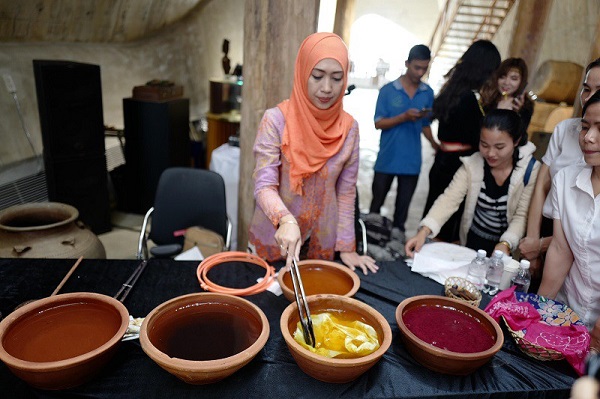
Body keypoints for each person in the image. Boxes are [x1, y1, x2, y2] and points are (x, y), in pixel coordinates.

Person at [247, 32, 378, 275]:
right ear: (302, 72)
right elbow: (264, 185)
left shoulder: (349, 129)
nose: (326, 88)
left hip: (321, 240)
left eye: (337, 78)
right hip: (274, 238)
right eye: (317, 76)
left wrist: (347, 246)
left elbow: (346, 193)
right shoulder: (275, 121)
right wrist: (285, 219)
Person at [405, 109, 539, 258]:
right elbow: (449, 199)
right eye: (484, 145)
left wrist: (506, 243)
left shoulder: (530, 171)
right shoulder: (472, 164)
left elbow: (521, 216)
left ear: (516, 141)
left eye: (499, 147)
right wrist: (424, 231)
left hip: (503, 252)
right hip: (471, 243)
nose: (490, 153)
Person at [519, 58, 600, 282]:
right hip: (547, 226)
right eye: (586, 89)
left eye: (599, 90)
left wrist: (541, 245)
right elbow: (542, 185)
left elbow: (582, 233)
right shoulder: (566, 129)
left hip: (576, 242)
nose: (589, 97)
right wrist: (532, 238)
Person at [421, 40, 501, 243]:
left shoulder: (453, 90)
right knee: (448, 223)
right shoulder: (470, 99)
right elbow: (477, 137)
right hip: (456, 165)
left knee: (436, 215)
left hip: (443, 161)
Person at [538, 90, 600, 340]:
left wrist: (596, 338)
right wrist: (539, 312)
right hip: (566, 313)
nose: (589, 138)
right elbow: (561, 250)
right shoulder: (565, 179)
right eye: (585, 127)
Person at [368, 44, 436, 246]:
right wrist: (404, 117)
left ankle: (396, 245)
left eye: (424, 68)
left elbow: (425, 124)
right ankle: (369, 238)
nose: (420, 72)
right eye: (416, 67)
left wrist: (434, 144)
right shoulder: (388, 91)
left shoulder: (427, 92)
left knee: (403, 207)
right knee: (376, 202)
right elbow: (378, 123)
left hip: (411, 159)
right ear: (407, 64)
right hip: (388, 157)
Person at [480, 57, 535, 133]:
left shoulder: (526, 106)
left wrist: (518, 113)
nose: (506, 82)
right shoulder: (488, 99)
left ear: (522, 82)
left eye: (514, 78)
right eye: (502, 77)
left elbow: (521, 137)